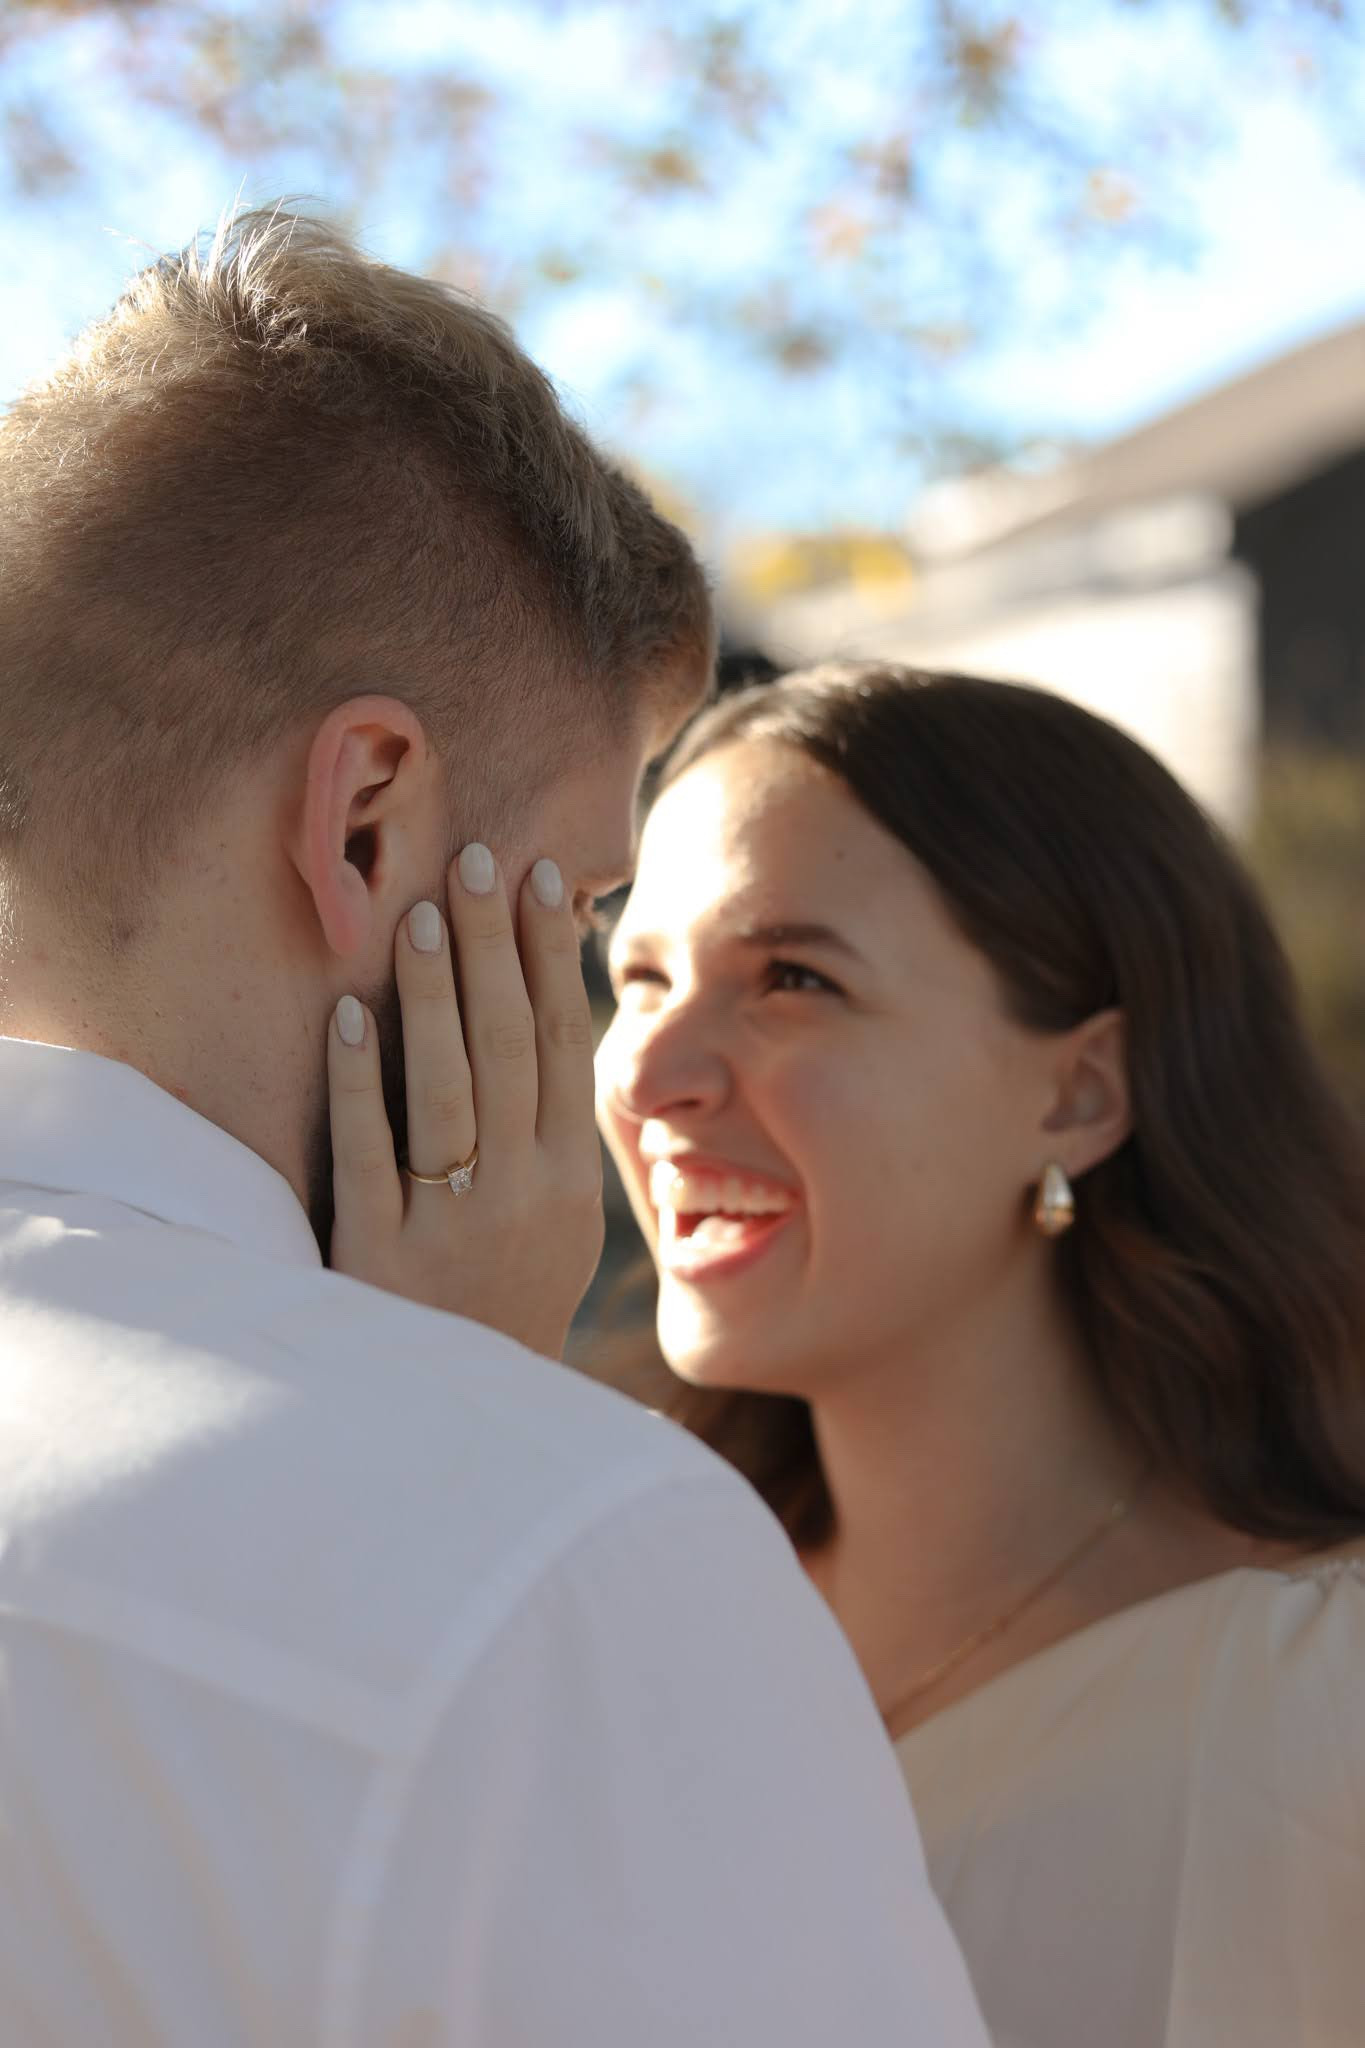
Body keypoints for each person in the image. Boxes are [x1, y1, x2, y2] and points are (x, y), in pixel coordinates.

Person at [0, 219, 988, 2047]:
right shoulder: (574, 1571)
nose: (624, 1039)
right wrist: (462, 1426)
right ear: (369, 823)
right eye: (594, 908)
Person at [588, 663, 1365, 2048]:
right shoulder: (587, 1605)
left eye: (790, 980)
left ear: (1076, 1092)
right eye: (639, 979)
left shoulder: (1308, 1712)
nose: (650, 1080)